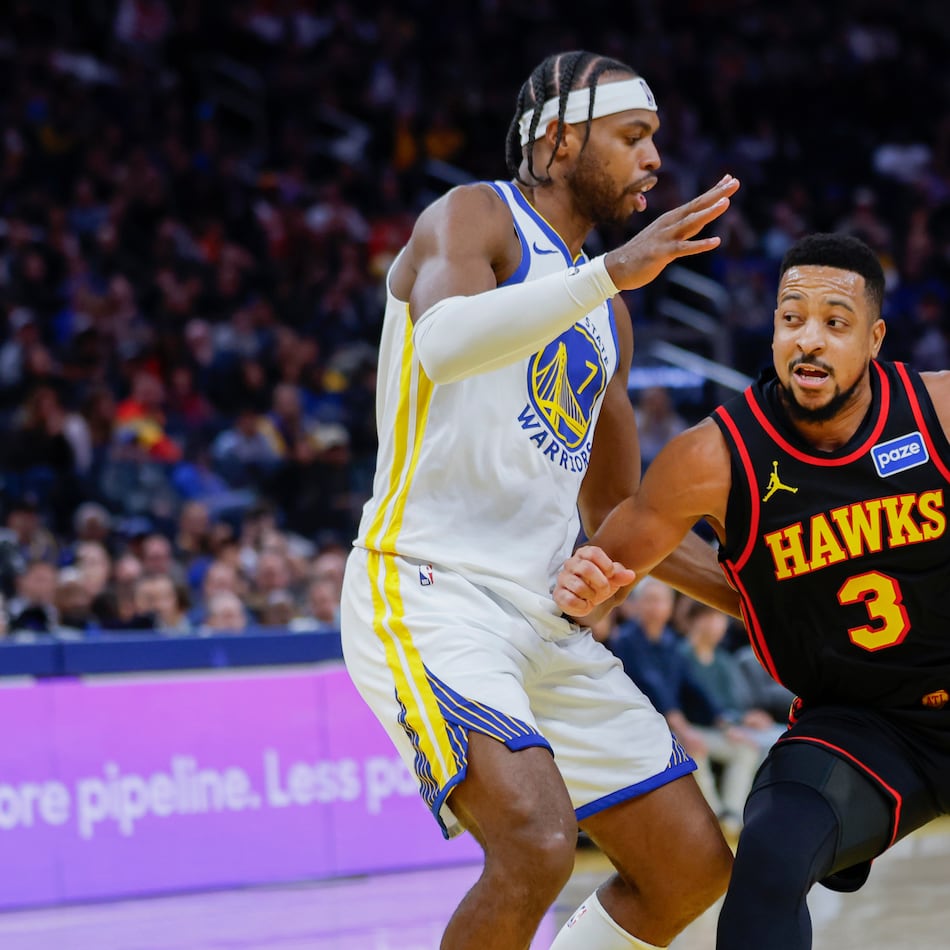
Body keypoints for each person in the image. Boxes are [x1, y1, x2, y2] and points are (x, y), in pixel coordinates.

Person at [341, 49, 742, 950]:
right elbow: (445, 344)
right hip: (427, 587)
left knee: (689, 866)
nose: (653, 161)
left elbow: (620, 519)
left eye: (656, 142)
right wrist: (608, 274)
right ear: (559, 142)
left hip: (545, 619)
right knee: (535, 843)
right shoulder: (475, 216)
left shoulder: (613, 314)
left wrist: (769, 597)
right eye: (632, 138)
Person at [553, 232, 950, 949]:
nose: (810, 340)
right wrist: (587, 584)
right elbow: (607, 564)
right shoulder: (712, 458)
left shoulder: (939, 411)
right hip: (864, 728)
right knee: (767, 855)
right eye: (791, 317)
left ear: (875, 337)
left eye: (835, 322)